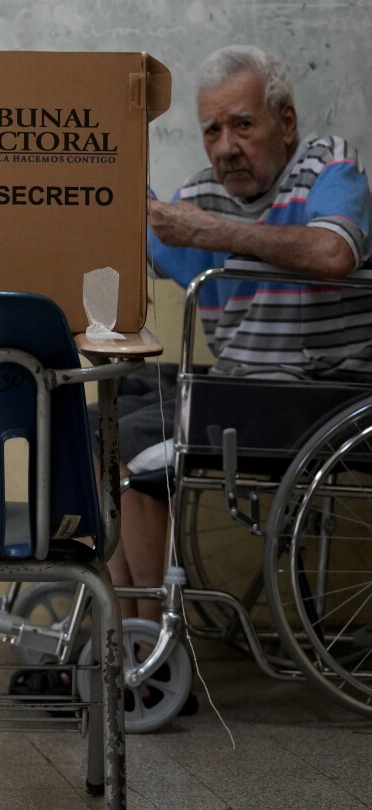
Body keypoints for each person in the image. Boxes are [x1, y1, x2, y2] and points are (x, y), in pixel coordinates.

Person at [112, 44, 371, 626]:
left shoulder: (328, 167)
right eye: (212, 131)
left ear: (285, 122)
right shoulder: (202, 195)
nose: (226, 146)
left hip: (316, 399)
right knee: (98, 418)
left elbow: (334, 252)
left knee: (125, 447)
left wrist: (211, 231)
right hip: (240, 391)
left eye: (243, 125)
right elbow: (132, 248)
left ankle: (148, 643)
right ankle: (119, 628)